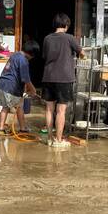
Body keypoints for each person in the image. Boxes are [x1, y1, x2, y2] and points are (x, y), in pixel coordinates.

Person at [42, 13, 82, 148]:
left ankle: (49, 138)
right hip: (64, 78)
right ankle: (58, 140)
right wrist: (82, 56)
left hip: (48, 77)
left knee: (48, 109)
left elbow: (45, 56)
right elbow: (81, 53)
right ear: (65, 25)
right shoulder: (69, 38)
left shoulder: (47, 38)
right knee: (61, 111)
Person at [0, 41, 39, 135]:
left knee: (5, 107)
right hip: (11, 86)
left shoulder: (15, 55)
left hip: (2, 83)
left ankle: (1, 128)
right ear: (32, 54)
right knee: (19, 107)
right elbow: (25, 78)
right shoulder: (23, 60)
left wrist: (25, 88)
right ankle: (23, 128)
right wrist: (32, 89)